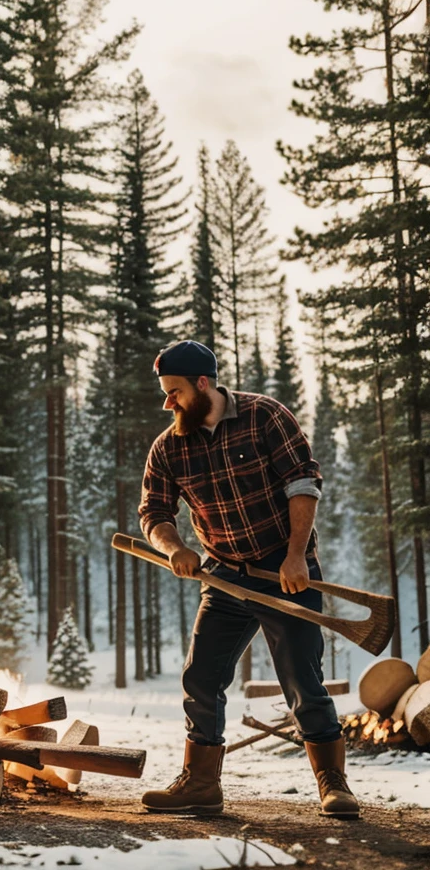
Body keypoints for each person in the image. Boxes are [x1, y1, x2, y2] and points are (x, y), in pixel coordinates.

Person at [137, 339, 359, 819]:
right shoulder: (168, 447)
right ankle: (200, 784)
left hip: (286, 571)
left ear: (203, 384)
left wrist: (297, 556)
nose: (167, 402)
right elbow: (154, 512)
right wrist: (175, 548)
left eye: (174, 391)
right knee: (201, 677)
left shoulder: (265, 417)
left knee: (302, 679)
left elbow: (303, 483)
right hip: (222, 576)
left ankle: (333, 784)